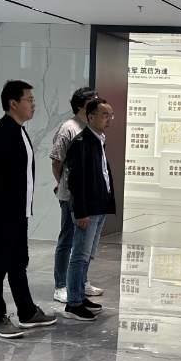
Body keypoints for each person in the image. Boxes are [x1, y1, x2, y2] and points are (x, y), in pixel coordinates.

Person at [0, 80, 56, 338]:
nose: (34, 105)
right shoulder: (2, 132)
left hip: (18, 212)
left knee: (18, 262)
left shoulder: (18, 130)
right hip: (4, 212)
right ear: (13, 103)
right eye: (29, 100)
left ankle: (27, 312)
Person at [63, 98, 116, 321]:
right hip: (88, 210)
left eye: (110, 115)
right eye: (105, 115)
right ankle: (73, 304)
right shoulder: (81, 143)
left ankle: (80, 296)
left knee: (88, 255)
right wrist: (81, 212)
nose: (109, 119)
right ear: (91, 117)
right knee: (80, 256)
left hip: (98, 206)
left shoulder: (98, 140)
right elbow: (76, 182)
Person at [49, 86, 103, 304]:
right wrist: (62, 184)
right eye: (94, 100)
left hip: (89, 196)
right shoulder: (68, 129)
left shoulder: (92, 127)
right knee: (67, 239)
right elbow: (57, 162)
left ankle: (81, 282)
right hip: (71, 196)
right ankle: (61, 285)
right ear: (82, 105)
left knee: (85, 244)